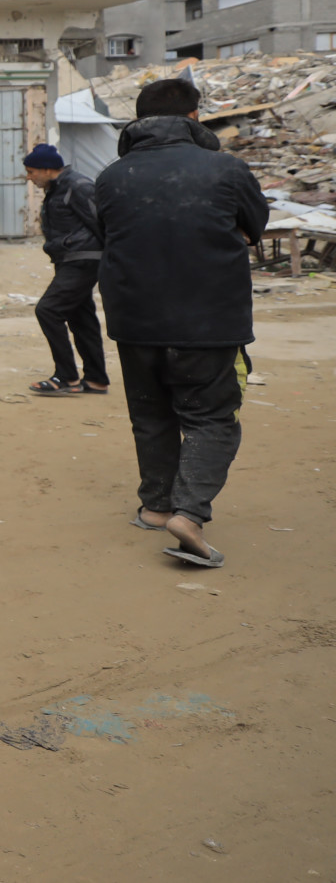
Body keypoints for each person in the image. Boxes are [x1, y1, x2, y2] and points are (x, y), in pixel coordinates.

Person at [96, 77, 267, 569]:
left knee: (151, 415)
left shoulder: (111, 176)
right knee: (212, 419)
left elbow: (110, 236)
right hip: (209, 322)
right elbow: (255, 226)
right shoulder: (226, 169)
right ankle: (189, 514)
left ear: (138, 122)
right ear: (194, 117)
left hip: (134, 320)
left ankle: (155, 507)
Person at [24, 143, 109, 396]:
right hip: (68, 259)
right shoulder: (57, 189)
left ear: (47, 169)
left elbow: (101, 222)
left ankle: (66, 376)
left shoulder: (78, 186)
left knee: (48, 310)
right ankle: (96, 380)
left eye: (31, 172)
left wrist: (111, 257)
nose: (29, 178)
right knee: (81, 318)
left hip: (83, 259)